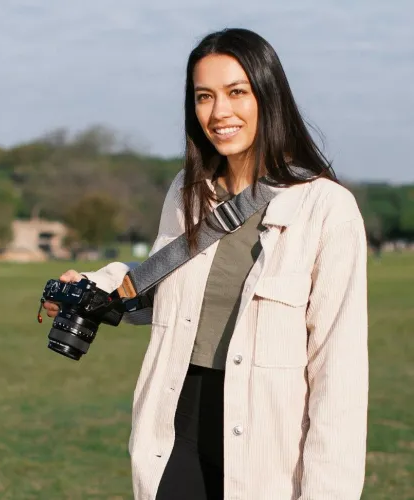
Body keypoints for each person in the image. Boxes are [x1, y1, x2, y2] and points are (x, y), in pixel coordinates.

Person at [44, 28, 368, 500]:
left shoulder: (326, 208)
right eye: (204, 96)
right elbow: (165, 281)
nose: (219, 112)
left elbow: (338, 374)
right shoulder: (187, 192)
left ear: (269, 96)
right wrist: (93, 287)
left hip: (268, 445)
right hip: (176, 427)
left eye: (237, 92)